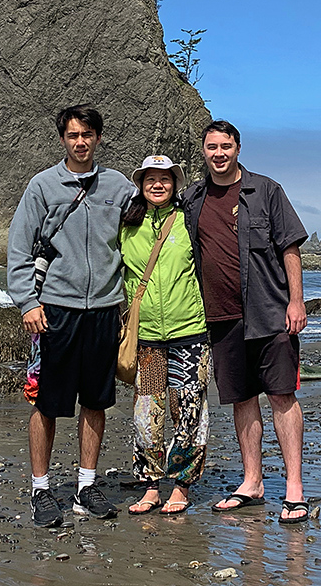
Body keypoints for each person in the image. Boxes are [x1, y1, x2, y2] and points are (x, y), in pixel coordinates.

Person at [7, 104, 134, 527]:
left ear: (98, 137)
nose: (80, 142)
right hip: (55, 311)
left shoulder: (118, 187)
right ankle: (40, 490)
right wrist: (28, 302)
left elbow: (141, 235)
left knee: (96, 403)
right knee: (46, 403)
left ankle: (85, 486)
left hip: (103, 311)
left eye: (88, 134)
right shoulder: (42, 186)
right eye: (73, 135)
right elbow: (19, 249)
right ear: (63, 139)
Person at [181, 120, 310, 524]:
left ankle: (294, 487)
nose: (218, 153)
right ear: (203, 151)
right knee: (241, 397)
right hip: (220, 316)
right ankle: (251, 481)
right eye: (211, 147)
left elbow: (289, 248)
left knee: (281, 395)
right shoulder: (194, 198)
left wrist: (296, 301)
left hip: (270, 311)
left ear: (238, 148)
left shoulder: (266, 190)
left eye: (226, 146)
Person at [119, 155, 210, 516]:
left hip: (189, 330)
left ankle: (182, 485)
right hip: (146, 337)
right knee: (147, 412)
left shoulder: (188, 221)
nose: (158, 185)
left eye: (165, 179)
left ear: (175, 183)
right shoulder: (128, 223)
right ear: (141, 184)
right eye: (150, 179)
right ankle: (151, 485)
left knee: (187, 409)